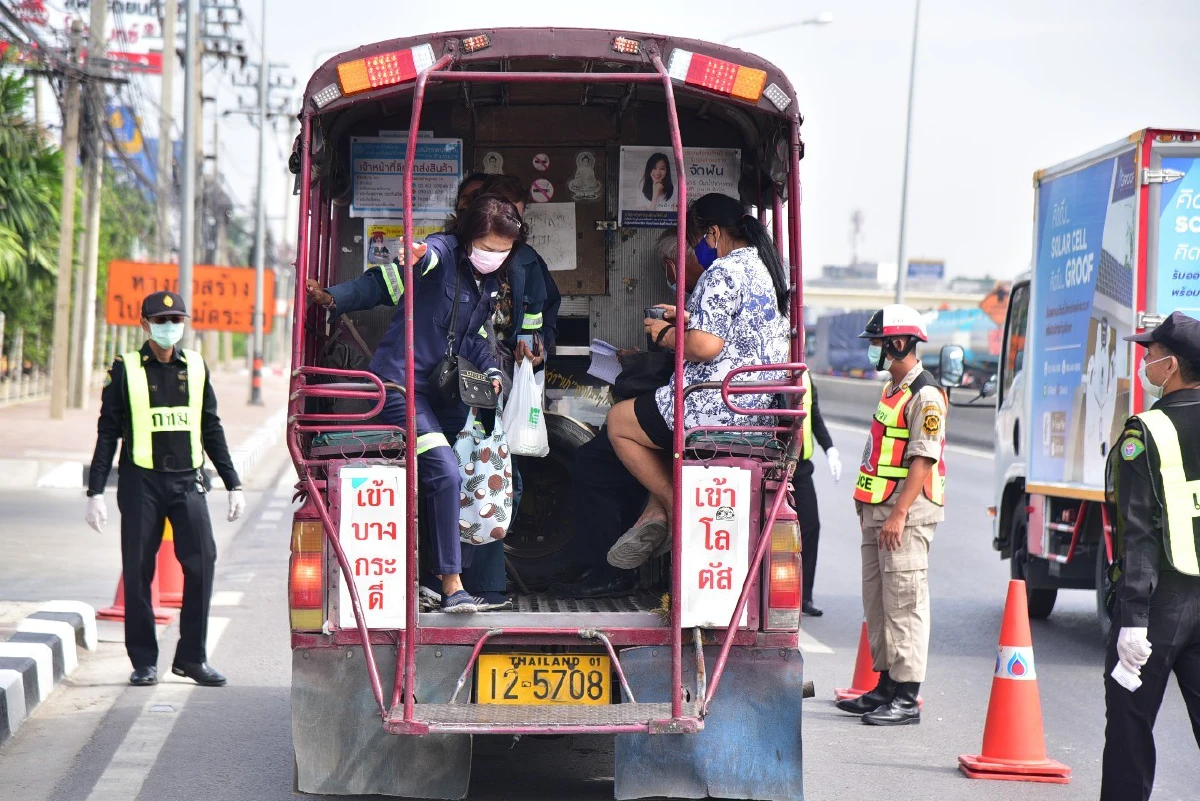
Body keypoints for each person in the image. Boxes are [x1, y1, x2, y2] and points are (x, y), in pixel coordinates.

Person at [305, 194, 521, 614]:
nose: (495, 257)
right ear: (468, 237)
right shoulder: (442, 255)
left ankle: (452, 581)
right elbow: (425, 256)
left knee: (474, 477)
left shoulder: (488, 284)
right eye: (488, 248)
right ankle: (451, 584)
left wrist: (494, 374)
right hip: (401, 388)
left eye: (503, 251)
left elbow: (474, 339)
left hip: (446, 395)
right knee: (443, 468)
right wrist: (418, 252)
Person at [605, 193, 790, 568]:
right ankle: (654, 515)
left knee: (621, 422)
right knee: (654, 427)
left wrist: (665, 334)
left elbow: (705, 346)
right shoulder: (767, 268)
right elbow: (739, 330)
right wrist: (688, 318)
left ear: (713, 233)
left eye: (697, 242)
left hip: (713, 406)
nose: (697, 251)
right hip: (756, 410)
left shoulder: (723, 270)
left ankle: (676, 508)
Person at [84, 291, 245, 687]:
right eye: (161, 320)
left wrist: (233, 481)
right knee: (139, 569)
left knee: (203, 562)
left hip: (188, 481)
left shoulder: (195, 366)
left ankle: (191, 657)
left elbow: (211, 427)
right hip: (141, 482)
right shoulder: (125, 370)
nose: (169, 326)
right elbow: (107, 432)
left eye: (176, 319)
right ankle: (144, 661)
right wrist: (95, 491)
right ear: (144, 324)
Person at [552, 230, 705, 598]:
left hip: (683, 409)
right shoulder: (706, 293)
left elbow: (697, 352)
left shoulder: (707, 291)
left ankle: (655, 524)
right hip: (686, 408)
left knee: (596, 459)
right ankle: (652, 518)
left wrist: (663, 340)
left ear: (671, 265)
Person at [1100, 311, 1200, 801]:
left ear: (1172, 365)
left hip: (1161, 602)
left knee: (1129, 729)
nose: (1145, 359)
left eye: (1151, 352)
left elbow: (1136, 529)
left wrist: (1133, 616)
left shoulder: (1149, 431)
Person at [835, 304, 946, 725]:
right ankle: (885, 685)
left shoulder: (926, 395)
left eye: (878, 344)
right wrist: (866, 499)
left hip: (907, 512)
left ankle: (907, 695)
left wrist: (899, 514)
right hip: (880, 509)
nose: (873, 351)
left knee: (905, 601)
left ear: (898, 343)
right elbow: (881, 451)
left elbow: (922, 459)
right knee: (878, 601)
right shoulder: (893, 389)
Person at [456, 174, 561, 611]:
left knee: (495, 480)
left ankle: (484, 583)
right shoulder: (449, 255)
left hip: (500, 380)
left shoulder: (527, 261)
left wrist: (535, 346)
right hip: (455, 377)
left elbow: (542, 314)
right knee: (458, 477)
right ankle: (450, 580)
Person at [792, 375, 840, 617]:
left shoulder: (806, 375)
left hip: (800, 469)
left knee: (810, 526)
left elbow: (814, 416)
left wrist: (829, 448)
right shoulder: (772, 365)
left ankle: (803, 596)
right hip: (772, 464)